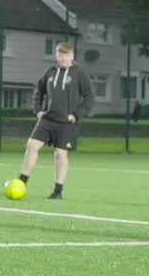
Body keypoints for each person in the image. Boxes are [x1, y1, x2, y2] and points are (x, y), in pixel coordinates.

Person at [12, 42, 95, 199]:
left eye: (66, 55)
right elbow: (39, 91)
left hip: (66, 122)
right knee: (31, 145)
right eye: (60, 55)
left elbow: (89, 97)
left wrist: (77, 114)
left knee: (60, 154)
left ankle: (58, 190)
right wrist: (38, 110)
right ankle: (22, 182)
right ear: (56, 56)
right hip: (47, 119)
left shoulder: (79, 73)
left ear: (72, 56)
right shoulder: (50, 72)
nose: (62, 58)